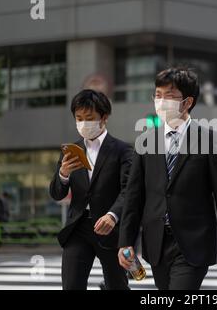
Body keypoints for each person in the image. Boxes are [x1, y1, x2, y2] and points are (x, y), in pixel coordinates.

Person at [118, 67, 217, 290]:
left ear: (187, 102)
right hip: (156, 243)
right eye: (158, 95)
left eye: (170, 96)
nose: (161, 101)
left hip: (195, 242)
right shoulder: (145, 142)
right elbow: (134, 196)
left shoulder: (210, 140)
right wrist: (125, 242)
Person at [49, 89, 133, 290]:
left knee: (117, 286)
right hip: (78, 228)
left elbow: (128, 190)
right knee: (71, 285)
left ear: (104, 117)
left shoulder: (123, 150)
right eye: (79, 118)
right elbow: (56, 193)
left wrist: (113, 215)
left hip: (110, 228)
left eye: (89, 118)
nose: (83, 123)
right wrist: (63, 174)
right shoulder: (71, 151)